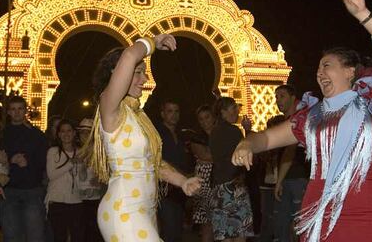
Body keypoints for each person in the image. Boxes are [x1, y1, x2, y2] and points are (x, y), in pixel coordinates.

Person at [232, 0, 372, 242]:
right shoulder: (311, 117)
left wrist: (363, 14)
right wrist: (246, 144)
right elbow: (266, 138)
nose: (319, 73)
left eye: (327, 65)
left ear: (350, 71)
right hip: (320, 216)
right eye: (317, 69)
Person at [81, 34, 201, 242]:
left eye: (144, 73)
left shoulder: (137, 115)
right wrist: (153, 42)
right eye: (138, 73)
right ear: (117, 73)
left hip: (146, 210)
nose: (145, 79)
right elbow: (129, 54)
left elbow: (151, 161)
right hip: (124, 209)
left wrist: (182, 181)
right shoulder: (109, 105)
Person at [0, 95, 47, 242]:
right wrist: (10, 160)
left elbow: (43, 160)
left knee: (35, 236)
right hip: (9, 191)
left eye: (20, 109)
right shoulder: (3, 134)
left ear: (25, 110)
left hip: (32, 190)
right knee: (11, 236)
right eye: (13, 109)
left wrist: (28, 164)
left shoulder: (36, 134)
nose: (16, 112)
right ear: (8, 112)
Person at [209, 97, 253, 242]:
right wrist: (247, 131)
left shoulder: (214, 131)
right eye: (233, 108)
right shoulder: (233, 131)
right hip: (234, 187)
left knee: (223, 235)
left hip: (219, 188)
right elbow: (249, 153)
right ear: (223, 112)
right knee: (239, 233)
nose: (237, 111)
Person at [273, 85, 309, 242]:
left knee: (296, 225)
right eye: (276, 97)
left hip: (297, 178)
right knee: (286, 225)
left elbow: (290, 151)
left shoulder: (298, 120)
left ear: (293, 98)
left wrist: (278, 181)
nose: (278, 100)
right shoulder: (288, 121)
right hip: (291, 179)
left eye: (282, 96)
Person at [155, 100, 191, 242]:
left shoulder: (181, 134)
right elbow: (158, 160)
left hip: (180, 189)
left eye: (176, 111)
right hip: (165, 187)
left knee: (177, 230)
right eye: (170, 111)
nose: (174, 115)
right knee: (169, 229)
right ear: (163, 114)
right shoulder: (157, 133)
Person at [46, 119, 83, 242]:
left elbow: (82, 178)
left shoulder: (81, 152)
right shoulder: (53, 152)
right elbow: (51, 175)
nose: (66, 134)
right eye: (62, 131)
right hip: (57, 201)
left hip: (76, 201)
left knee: (77, 236)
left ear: (74, 133)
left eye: (69, 131)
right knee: (59, 237)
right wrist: (70, 164)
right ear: (58, 134)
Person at [77, 118, 105, 242]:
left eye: (88, 132)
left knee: (94, 233)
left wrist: (101, 180)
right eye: (82, 132)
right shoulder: (75, 150)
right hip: (76, 199)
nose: (85, 135)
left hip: (96, 199)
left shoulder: (100, 151)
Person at [190, 105, 215, 242]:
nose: (205, 121)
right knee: (207, 223)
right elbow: (206, 156)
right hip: (204, 180)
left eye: (207, 117)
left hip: (220, 178)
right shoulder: (197, 137)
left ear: (213, 117)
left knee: (220, 222)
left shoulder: (220, 134)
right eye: (201, 119)